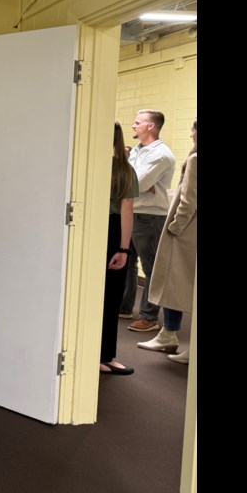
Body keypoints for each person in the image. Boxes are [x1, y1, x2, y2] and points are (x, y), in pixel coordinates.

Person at [137, 118, 197, 363]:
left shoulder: (194, 159)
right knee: (178, 284)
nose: (190, 134)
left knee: (176, 282)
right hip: (188, 231)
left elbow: (189, 200)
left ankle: (170, 335)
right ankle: (168, 333)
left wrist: (175, 227)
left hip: (185, 233)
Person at [124, 110, 176, 332]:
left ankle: (150, 317)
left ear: (151, 127)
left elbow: (137, 183)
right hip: (133, 211)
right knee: (127, 263)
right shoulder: (137, 150)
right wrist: (132, 177)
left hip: (150, 217)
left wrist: (134, 178)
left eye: (138, 122)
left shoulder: (161, 155)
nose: (133, 125)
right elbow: (127, 178)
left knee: (151, 267)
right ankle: (125, 306)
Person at [100, 122, 139, 376]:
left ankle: (93, 354)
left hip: (85, 228)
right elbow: (126, 210)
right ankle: (105, 355)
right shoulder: (125, 169)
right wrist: (124, 249)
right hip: (113, 230)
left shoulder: (85, 165)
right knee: (111, 296)